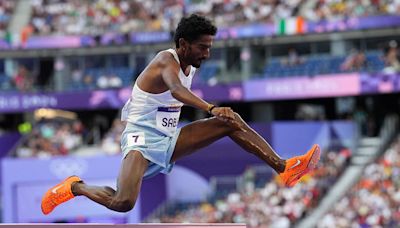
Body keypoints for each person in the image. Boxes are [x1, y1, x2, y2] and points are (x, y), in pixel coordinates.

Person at [41, 14, 320, 215]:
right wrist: (210, 108)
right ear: (183, 44)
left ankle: (284, 168)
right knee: (123, 203)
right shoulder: (166, 60)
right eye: (203, 47)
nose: (208, 53)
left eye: (210, 47)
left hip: (167, 137)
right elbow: (175, 91)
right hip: (140, 137)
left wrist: (217, 113)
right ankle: (75, 186)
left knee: (230, 121)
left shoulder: (192, 64)